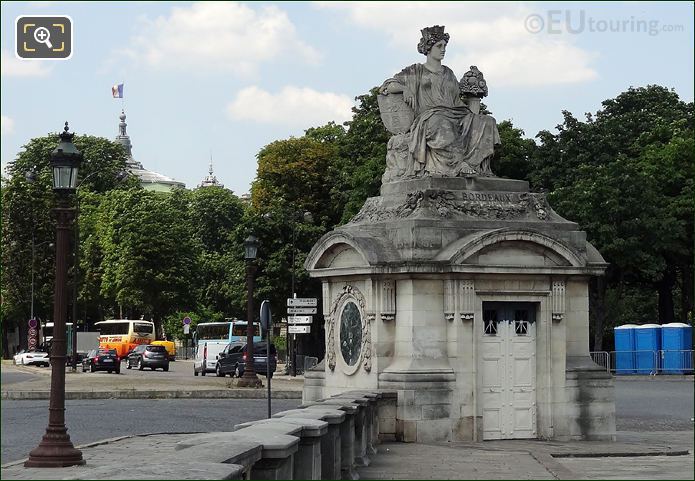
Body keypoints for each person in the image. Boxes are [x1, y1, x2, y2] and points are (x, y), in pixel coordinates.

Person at [379, 25, 500, 177]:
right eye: (439, 46)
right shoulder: (415, 70)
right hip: (430, 116)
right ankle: (457, 164)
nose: (443, 49)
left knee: (486, 121)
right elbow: (387, 86)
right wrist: (404, 89)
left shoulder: (449, 72)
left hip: (456, 113)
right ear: (428, 48)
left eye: (444, 46)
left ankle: (472, 164)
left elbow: (457, 101)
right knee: (442, 122)